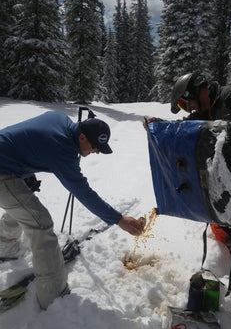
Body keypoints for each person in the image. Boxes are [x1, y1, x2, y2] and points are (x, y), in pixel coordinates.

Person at [0, 111, 144, 309]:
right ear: (82, 137)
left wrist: (24, 168)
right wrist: (118, 219)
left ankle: (5, 245)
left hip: (8, 162)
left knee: (24, 205)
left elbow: (31, 140)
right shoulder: (62, 149)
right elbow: (84, 193)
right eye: (95, 146)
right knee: (40, 223)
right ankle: (53, 296)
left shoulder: (61, 120)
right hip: (3, 171)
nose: (97, 152)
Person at [146, 71, 231, 289]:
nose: (189, 108)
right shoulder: (202, 111)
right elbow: (184, 129)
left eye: (187, 102)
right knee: (217, 215)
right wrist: (159, 126)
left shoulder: (229, 96)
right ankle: (229, 250)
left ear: (199, 91)